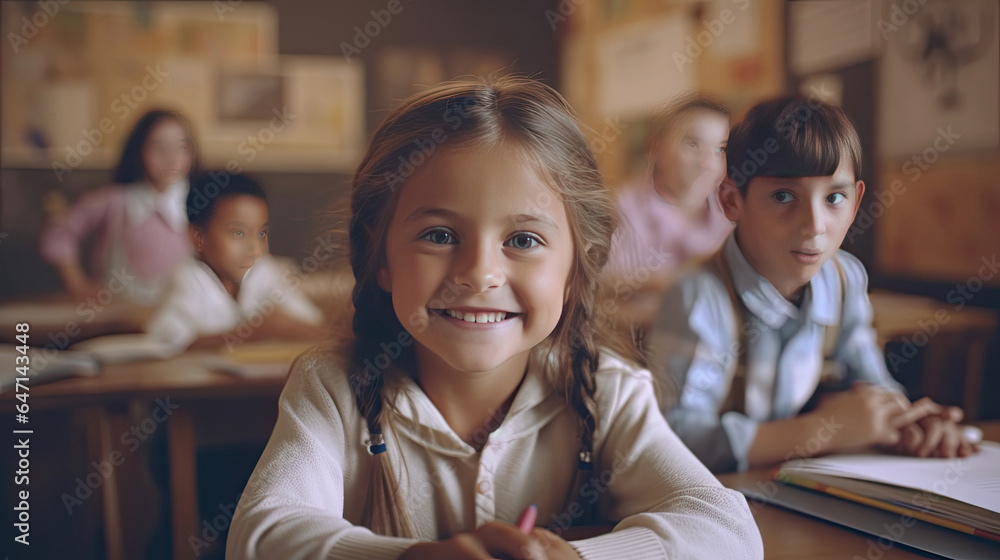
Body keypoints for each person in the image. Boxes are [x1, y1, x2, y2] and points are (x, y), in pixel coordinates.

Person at [226, 77, 762, 560]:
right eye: (439, 235)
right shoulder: (333, 386)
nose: (480, 273)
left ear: (577, 268)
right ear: (380, 258)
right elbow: (260, 535)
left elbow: (728, 530)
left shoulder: (608, 393)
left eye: (523, 240)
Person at [649, 96, 979, 474]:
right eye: (784, 196)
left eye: (834, 198)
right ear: (731, 200)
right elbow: (673, 439)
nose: (814, 225)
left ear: (855, 203)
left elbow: (870, 384)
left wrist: (910, 423)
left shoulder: (844, 278)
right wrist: (821, 431)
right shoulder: (699, 295)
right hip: (717, 506)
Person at [144, 172, 325, 353]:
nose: (254, 248)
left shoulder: (263, 271)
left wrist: (284, 327)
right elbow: (169, 341)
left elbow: (314, 324)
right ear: (198, 236)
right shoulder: (187, 279)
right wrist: (255, 333)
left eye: (261, 233)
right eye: (238, 233)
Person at [40, 110, 200, 305]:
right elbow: (60, 233)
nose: (171, 157)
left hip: (180, 317)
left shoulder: (203, 203)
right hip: (116, 317)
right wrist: (77, 283)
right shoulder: (115, 201)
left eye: (181, 147)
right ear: (139, 151)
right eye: (159, 148)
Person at [604, 93, 733, 329]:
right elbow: (597, 298)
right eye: (692, 144)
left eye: (720, 150)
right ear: (658, 146)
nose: (707, 163)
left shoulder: (732, 211)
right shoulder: (621, 210)